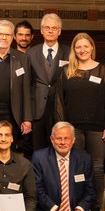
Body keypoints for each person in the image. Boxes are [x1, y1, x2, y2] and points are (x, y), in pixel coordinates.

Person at [55, 32, 105, 211]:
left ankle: (96, 208)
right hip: (73, 128)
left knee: (97, 168)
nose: (82, 50)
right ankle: (78, 207)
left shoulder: (103, 70)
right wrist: (62, 127)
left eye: (86, 46)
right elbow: (59, 101)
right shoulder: (66, 71)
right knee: (76, 167)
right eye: (78, 47)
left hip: (98, 127)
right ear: (74, 49)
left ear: (92, 48)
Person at [0, 20, 32, 154]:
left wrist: (26, 118)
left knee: (9, 152)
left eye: (8, 35)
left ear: (13, 37)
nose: (4, 38)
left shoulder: (22, 58)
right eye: (0, 34)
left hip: (12, 114)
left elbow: (26, 89)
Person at [28, 13, 68, 150]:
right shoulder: (31, 53)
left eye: (54, 28)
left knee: (59, 147)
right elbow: (27, 85)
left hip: (61, 108)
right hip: (37, 109)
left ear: (59, 31)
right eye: (47, 27)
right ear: (41, 30)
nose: (50, 31)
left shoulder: (68, 53)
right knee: (38, 149)